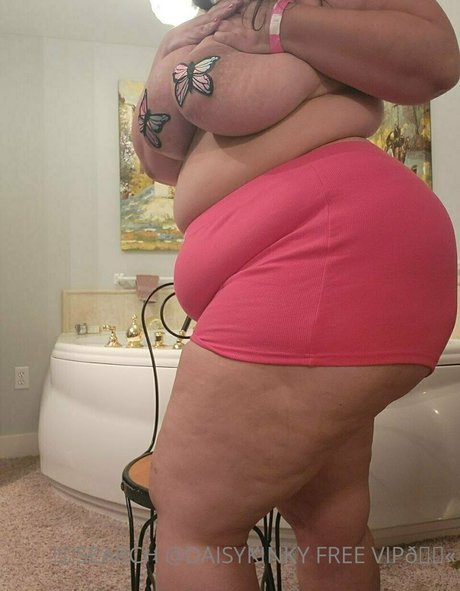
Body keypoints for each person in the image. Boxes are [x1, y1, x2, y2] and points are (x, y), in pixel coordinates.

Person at [132, 1, 460, 590]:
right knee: (328, 519)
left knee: (193, 516)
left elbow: (437, 56)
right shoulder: (213, 33)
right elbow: (161, 163)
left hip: (326, 251)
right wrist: (166, 58)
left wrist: (277, 20)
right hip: (325, 259)